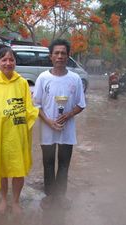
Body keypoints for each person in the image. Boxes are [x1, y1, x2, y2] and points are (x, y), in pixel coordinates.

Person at [0, 47, 38, 214]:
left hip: (18, 135)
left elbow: (29, 109)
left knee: (18, 169)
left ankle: (16, 201)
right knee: (1, 169)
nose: (8, 63)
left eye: (11, 60)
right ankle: (4, 199)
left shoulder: (23, 83)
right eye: (4, 60)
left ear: (15, 62)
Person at [33, 39, 86, 209]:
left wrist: (67, 115)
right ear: (51, 56)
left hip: (67, 131)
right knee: (48, 164)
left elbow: (81, 104)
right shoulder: (43, 78)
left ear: (68, 56)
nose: (60, 56)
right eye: (56, 53)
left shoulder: (75, 78)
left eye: (63, 53)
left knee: (64, 164)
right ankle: (49, 196)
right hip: (47, 130)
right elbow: (36, 105)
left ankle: (61, 197)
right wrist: (49, 121)